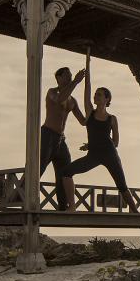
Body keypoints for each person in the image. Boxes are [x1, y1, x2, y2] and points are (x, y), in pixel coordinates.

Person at [62, 55, 139, 213]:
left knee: (122, 185)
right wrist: (88, 65)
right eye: (95, 94)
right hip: (94, 155)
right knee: (66, 172)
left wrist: (93, 143)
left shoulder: (112, 119)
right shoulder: (90, 112)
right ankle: (72, 206)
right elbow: (87, 88)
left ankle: (136, 212)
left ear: (107, 99)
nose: (95, 96)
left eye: (99, 94)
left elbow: (115, 142)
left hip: (110, 154)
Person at [41, 66, 86, 211]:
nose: (70, 78)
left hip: (61, 139)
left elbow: (83, 121)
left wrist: (96, 111)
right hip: (47, 135)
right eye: (67, 75)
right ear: (59, 78)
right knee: (38, 169)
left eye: (71, 75)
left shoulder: (72, 100)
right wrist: (76, 82)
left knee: (65, 172)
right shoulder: (52, 92)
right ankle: (18, 197)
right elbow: (60, 99)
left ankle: (63, 205)